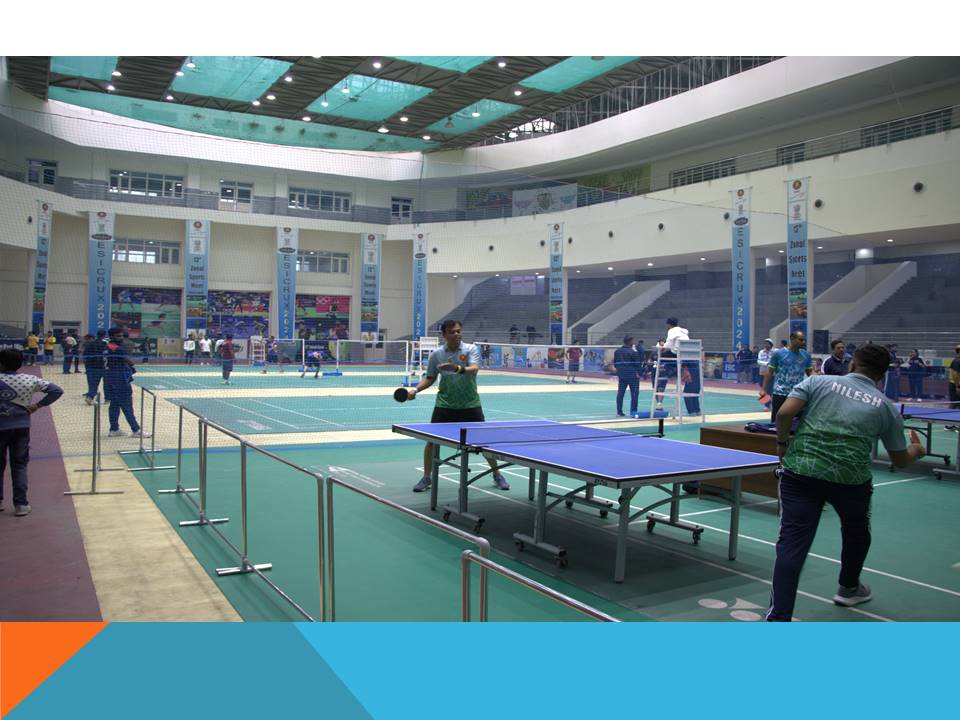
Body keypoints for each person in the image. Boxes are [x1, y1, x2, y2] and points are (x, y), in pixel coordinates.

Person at [765, 345, 926, 621]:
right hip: (851, 481)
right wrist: (917, 450)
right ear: (881, 376)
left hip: (802, 471)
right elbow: (900, 460)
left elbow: (783, 413)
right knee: (857, 533)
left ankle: (778, 618)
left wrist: (781, 443)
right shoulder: (886, 407)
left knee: (791, 545)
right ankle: (849, 588)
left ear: (852, 365)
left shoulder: (817, 382)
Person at [408, 319, 510, 492]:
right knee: (431, 442)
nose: (456, 334)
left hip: (470, 404)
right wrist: (415, 390)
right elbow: (430, 378)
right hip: (445, 404)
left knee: (483, 442)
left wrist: (456, 368)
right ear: (444, 335)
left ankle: (497, 474)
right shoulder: (437, 354)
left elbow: (474, 369)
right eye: (452, 332)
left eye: (458, 331)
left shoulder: (470, 349)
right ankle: (426, 477)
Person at [0, 348, 64, 516]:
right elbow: (57, 391)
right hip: (21, 428)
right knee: (19, 465)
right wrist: (37, 405)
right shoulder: (30, 379)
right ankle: (21, 505)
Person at [104, 327, 149, 438]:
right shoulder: (117, 349)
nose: (121, 338)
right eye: (118, 336)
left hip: (110, 379)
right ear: (111, 336)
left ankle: (114, 429)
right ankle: (136, 430)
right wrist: (131, 365)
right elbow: (128, 361)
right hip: (120, 380)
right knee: (127, 405)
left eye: (121, 336)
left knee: (114, 405)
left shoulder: (106, 347)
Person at [761, 330, 814, 423]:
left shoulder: (806, 355)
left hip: (798, 393)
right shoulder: (778, 354)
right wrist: (764, 389)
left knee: (797, 422)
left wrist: (820, 379)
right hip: (780, 393)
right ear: (792, 339)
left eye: (804, 340)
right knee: (777, 422)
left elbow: (810, 373)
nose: (803, 342)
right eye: (800, 340)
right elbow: (769, 372)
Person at [655, 318, 690, 411]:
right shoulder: (683, 331)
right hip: (685, 354)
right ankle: (679, 372)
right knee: (667, 354)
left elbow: (669, 344)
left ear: (668, 324)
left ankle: (661, 369)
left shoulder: (671, 331)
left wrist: (661, 346)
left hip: (676, 353)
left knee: (660, 354)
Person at [613, 335, 642, 417]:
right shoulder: (633, 352)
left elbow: (615, 363)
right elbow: (637, 363)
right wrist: (640, 373)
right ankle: (633, 412)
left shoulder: (617, 351)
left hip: (622, 375)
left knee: (620, 393)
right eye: (632, 341)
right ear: (630, 342)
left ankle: (619, 411)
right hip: (633, 375)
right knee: (634, 394)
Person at [82, 330, 107, 405]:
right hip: (100, 366)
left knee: (92, 383)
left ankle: (90, 397)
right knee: (103, 383)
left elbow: (85, 355)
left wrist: (86, 364)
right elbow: (106, 355)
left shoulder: (89, 344)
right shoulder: (104, 344)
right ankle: (106, 398)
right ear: (104, 336)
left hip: (90, 366)